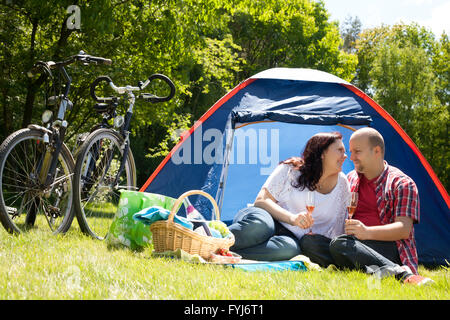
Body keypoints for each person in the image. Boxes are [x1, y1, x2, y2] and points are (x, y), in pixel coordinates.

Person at [299, 127, 433, 285]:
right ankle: (363, 268)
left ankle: (402, 274)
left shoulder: (401, 183)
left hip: (389, 249)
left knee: (341, 244)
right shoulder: (350, 180)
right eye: (351, 151)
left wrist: (366, 232)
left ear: (376, 151)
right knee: (309, 242)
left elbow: (404, 230)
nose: (351, 157)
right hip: (354, 245)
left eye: (357, 151)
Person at [228, 132, 350, 261]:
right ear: (322, 154)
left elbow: (338, 228)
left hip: (289, 237)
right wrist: (292, 218)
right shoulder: (290, 169)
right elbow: (261, 200)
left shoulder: (342, 184)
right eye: (340, 150)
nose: (345, 156)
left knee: (290, 250)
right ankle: (210, 238)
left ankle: (223, 252)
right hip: (265, 216)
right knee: (260, 226)